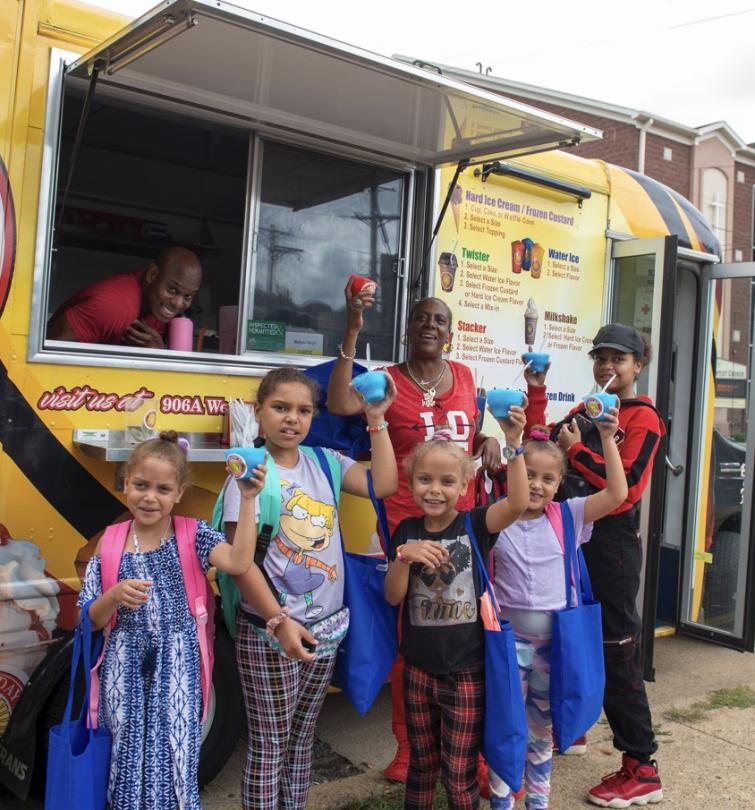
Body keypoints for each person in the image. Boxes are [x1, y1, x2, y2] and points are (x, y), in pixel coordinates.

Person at [327, 285, 502, 782]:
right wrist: (354, 328)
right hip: (407, 527)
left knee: (473, 634)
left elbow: (467, 435)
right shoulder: (384, 380)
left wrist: (486, 439)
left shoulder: (466, 376)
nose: (430, 325)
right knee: (413, 635)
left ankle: (475, 750)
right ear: (408, 329)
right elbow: (341, 402)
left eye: (439, 320)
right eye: (421, 318)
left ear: (449, 334)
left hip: (466, 528)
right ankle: (408, 747)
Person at [222, 366, 398, 810]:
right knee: (269, 745)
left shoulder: (326, 462)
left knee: (301, 743)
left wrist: (376, 418)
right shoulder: (248, 473)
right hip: (270, 631)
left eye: (304, 410)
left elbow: (385, 484)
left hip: (326, 627)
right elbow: (241, 565)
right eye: (280, 408)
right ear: (258, 411)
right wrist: (279, 622)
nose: (292, 419)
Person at [77, 430, 263, 810]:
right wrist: (112, 597)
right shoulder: (109, 542)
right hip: (123, 668)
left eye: (163, 489)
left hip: (179, 666)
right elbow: (90, 621)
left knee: (176, 754)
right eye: (141, 485)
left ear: (178, 493)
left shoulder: (193, 534)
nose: (150, 497)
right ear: (125, 483)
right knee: (125, 755)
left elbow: (240, 562)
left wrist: (247, 501)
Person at [524, 323, 666, 808]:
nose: (608, 367)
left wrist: (576, 449)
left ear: (637, 366)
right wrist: (536, 392)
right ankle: (577, 726)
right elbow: (545, 444)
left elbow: (624, 489)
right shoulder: (590, 405)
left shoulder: (644, 418)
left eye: (618, 359)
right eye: (601, 357)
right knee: (574, 635)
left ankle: (641, 765)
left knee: (616, 650)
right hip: (574, 543)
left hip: (612, 550)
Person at [384, 406, 528, 810]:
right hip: (417, 670)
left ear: (465, 484)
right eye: (425, 479)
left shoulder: (476, 524)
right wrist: (403, 557)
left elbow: (516, 503)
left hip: (466, 671)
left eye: (447, 481)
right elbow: (393, 597)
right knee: (421, 766)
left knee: (459, 770)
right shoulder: (406, 532)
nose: (435, 489)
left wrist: (514, 445)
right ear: (410, 483)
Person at [488, 415, 629, 810]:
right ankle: (502, 802)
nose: (535, 484)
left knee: (540, 731)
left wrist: (606, 437)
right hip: (507, 645)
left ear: (558, 484)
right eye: (528, 473)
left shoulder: (569, 515)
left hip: (556, 647)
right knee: (505, 728)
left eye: (547, 479)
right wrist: (508, 440)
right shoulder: (497, 518)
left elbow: (617, 493)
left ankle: (537, 802)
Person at [47, 246, 202, 348]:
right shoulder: (113, 305)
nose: (178, 303)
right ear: (152, 275)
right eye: (172, 290)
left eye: (188, 296)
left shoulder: (161, 309)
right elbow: (45, 358)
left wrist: (159, 353)